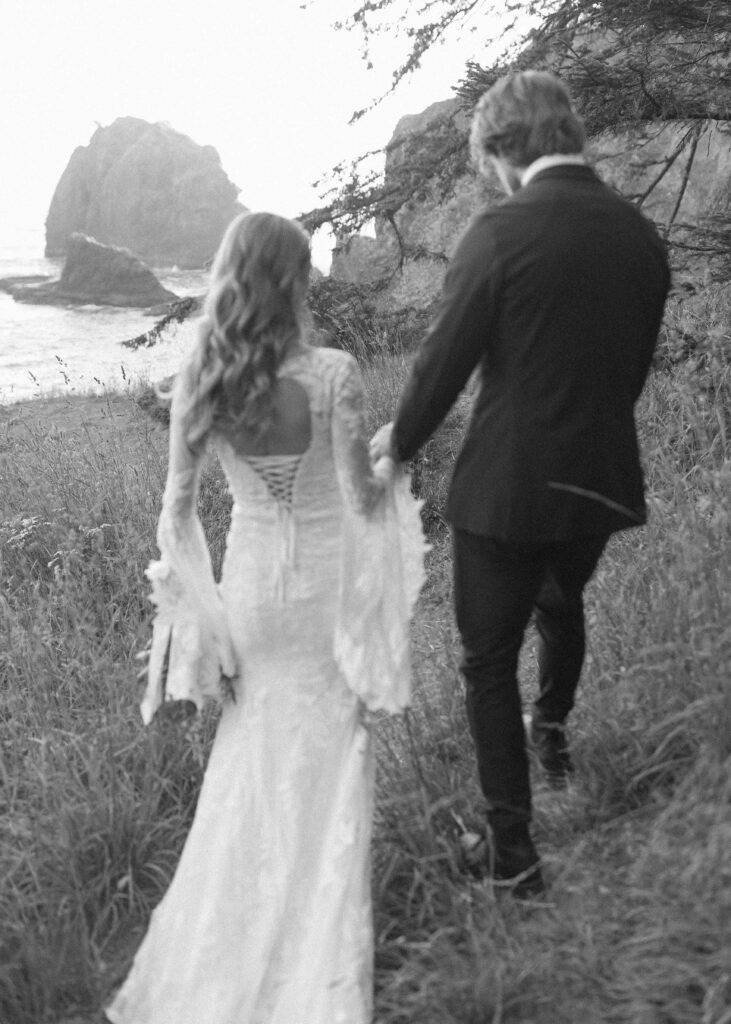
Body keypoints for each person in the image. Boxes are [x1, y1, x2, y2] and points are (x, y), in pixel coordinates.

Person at [106, 211, 427, 1024]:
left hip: (250, 596)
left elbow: (176, 517)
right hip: (321, 591)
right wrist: (393, 453)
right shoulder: (332, 373)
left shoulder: (201, 379)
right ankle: (314, 955)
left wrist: (203, 624)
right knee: (329, 755)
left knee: (246, 765)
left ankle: (228, 948)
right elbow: (360, 495)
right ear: (293, 279)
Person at [371, 70, 670, 898]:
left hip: (505, 491)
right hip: (601, 481)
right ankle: (555, 738)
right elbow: (627, 369)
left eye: (486, 161)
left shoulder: (500, 231)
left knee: (485, 660)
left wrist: (396, 445)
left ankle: (513, 856)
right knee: (559, 601)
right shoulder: (639, 235)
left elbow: (442, 363)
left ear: (502, 149)